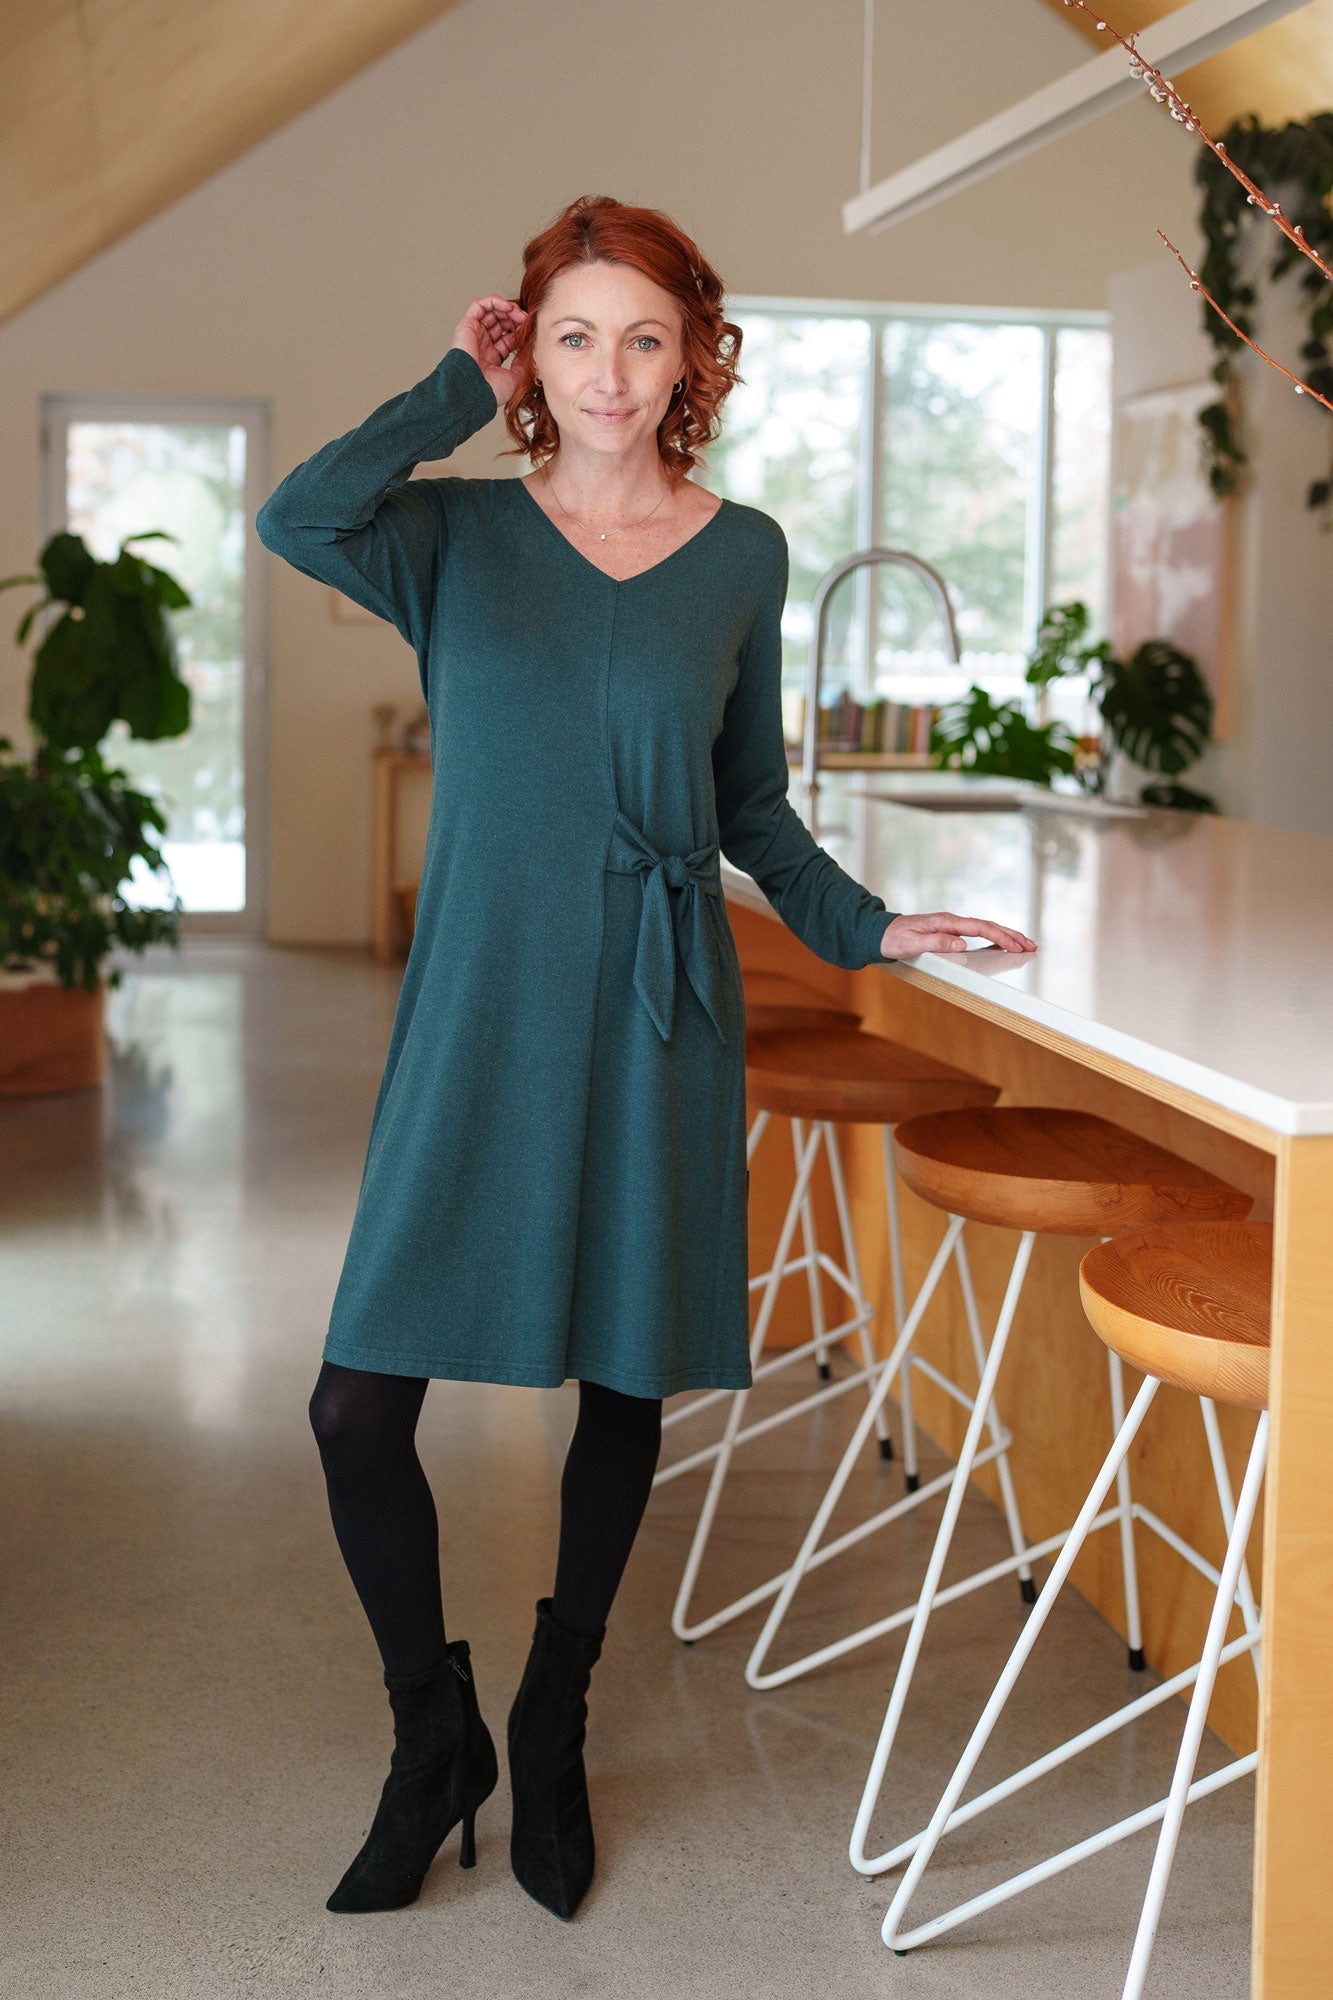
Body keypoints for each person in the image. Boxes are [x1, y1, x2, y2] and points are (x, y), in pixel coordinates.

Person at [255, 193, 1036, 1925]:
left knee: (625, 1382)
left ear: (693, 359)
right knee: (355, 1407)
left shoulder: (740, 553)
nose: (608, 374)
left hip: (655, 1006)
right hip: (479, 1007)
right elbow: (293, 514)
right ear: (530, 356)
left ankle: (552, 1719)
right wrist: (448, 392)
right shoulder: (448, 535)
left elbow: (750, 805)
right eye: (573, 338)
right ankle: (430, 1733)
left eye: (643, 338)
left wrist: (869, 926)